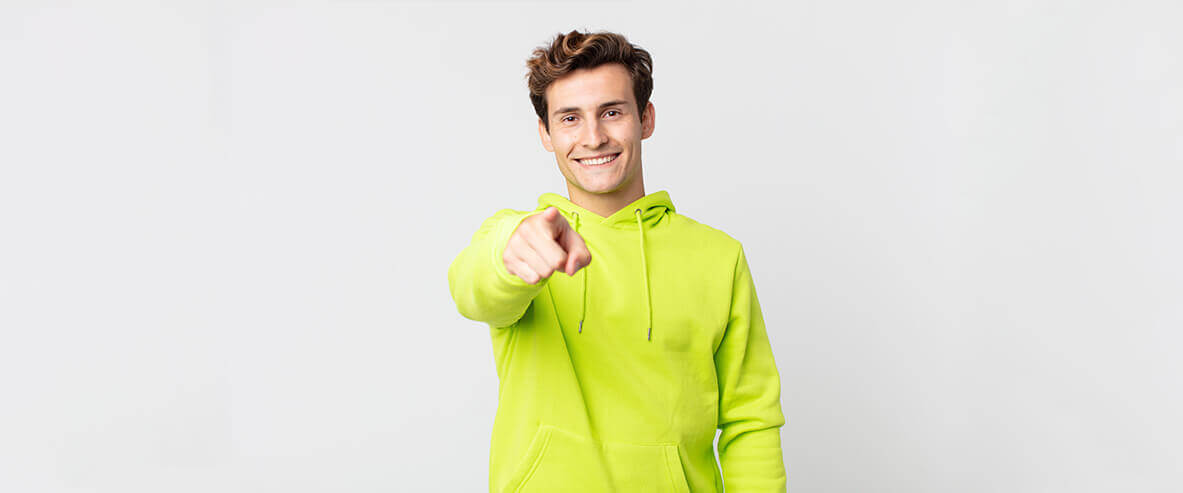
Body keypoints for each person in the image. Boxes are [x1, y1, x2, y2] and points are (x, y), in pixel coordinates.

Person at [448, 29, 787, 493]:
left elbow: (751, 420)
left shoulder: (719, 256)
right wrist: (511, 256)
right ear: (546, 133)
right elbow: (473, 291)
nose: (594, 137)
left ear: (645, 118)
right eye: (570, 118)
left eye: (612, 112)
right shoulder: (523, 238)